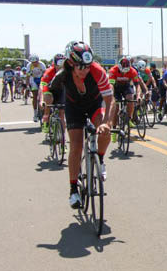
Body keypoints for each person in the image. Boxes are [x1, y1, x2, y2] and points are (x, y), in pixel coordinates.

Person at [48, 41, 114, 208]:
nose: (85, 70)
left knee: (105, 131)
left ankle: (100, 158)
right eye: (80, 67)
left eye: (87, 66)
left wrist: (107, 122)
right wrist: (46, 106)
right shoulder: (62, 75)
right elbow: (49, 91)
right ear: (71, 63)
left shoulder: (97, 71)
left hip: (94, 104)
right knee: (76, 146)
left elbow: (109, 100)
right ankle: (73, 190)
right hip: (73, 107)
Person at [108, 56, 147, 142]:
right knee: (116, 107)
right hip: (116, 87)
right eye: (122, 71)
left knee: (130, 98)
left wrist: (138, 96)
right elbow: (111, 86)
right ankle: (114, 130)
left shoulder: (132, 71)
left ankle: (129, 118)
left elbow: (137, 85)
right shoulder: (113, 71)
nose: (123, 73)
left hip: (126, 86)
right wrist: (112, 98)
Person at [41, 53, 67, 133]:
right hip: (49, 90)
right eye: (59, 64)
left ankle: (62, 138)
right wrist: (43, 99)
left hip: (61, 90)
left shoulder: (67, 71)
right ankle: (45, 121)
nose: (61, 66)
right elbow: (43, 85)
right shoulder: (49, 72)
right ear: (54, 64)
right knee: (48, 104)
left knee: (61, 114)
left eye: (63, 63)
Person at [27, 55, 47, 122]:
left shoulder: (42, 65)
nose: (34, 63)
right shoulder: (29, 66)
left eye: (35, 62)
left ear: (38, 61)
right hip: (33, 79)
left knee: (43, 95)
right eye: (33, 62)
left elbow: (45, 75)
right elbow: (27, 76)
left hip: (41, 79)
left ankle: (44, 111)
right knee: (35, 96)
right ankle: (35, 113)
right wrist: (27, 85)